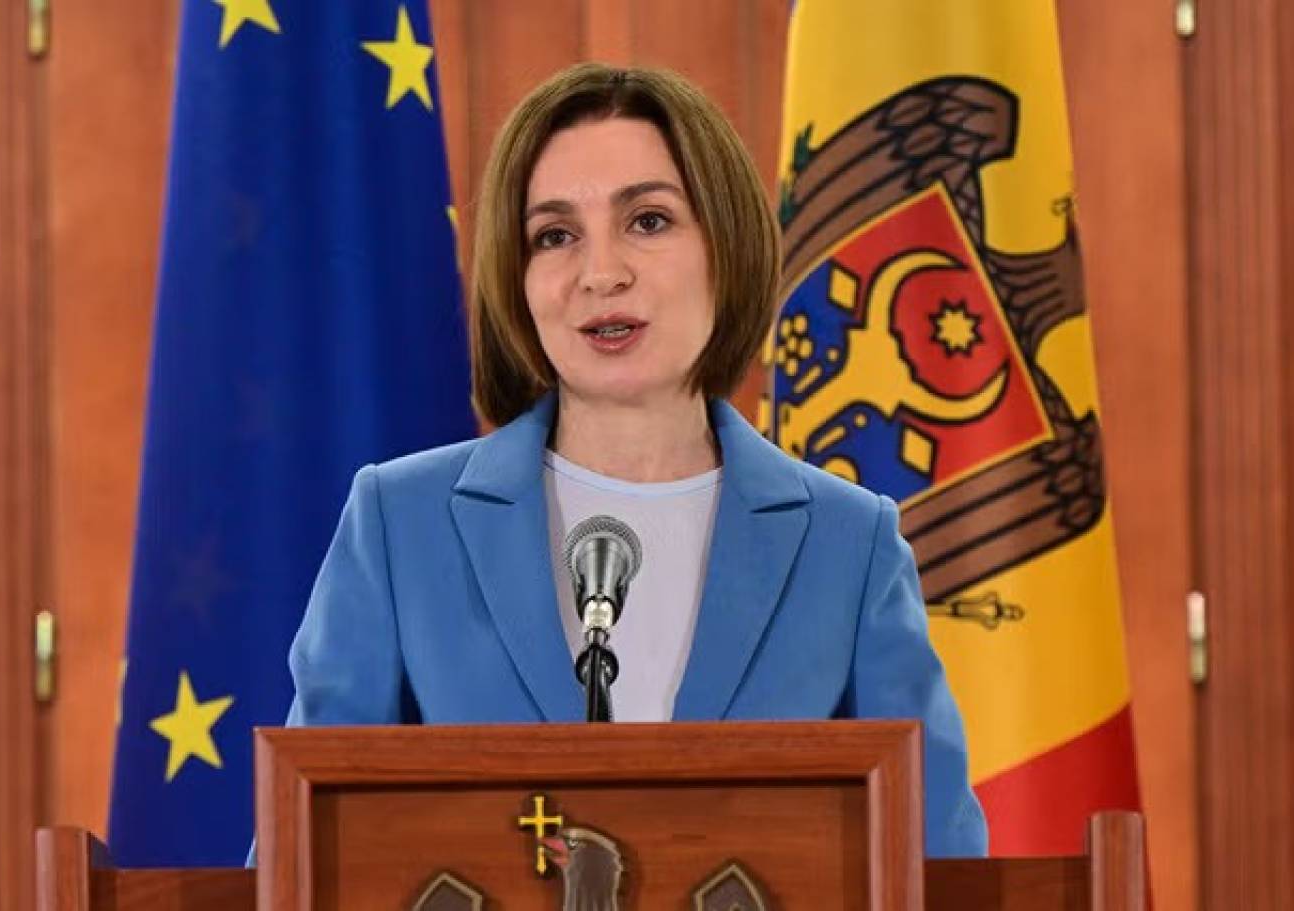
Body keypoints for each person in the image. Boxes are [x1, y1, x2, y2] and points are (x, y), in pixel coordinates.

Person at [282, 63, 987, 858]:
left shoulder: (847, 545)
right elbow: (305, 855)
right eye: (554, 235)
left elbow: (939, 861)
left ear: (726, 246)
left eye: (648, 221)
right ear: (517, 279)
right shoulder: (401, 525)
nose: (601, 273)